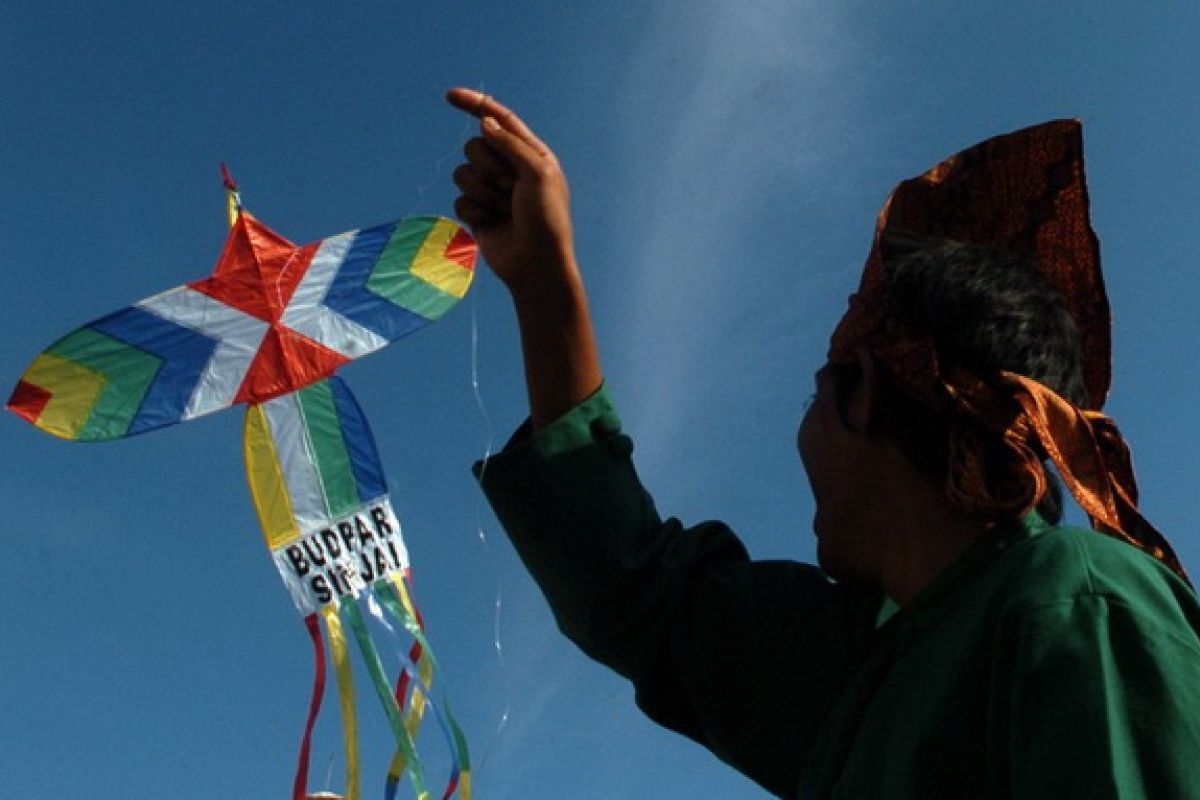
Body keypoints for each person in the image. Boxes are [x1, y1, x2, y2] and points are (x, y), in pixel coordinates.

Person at [445, 87, 1200, 798]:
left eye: (816, 392)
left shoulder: (1072, 598)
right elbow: (640, 593)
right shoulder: (861, 665)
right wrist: (542, 283)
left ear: (863, 390)